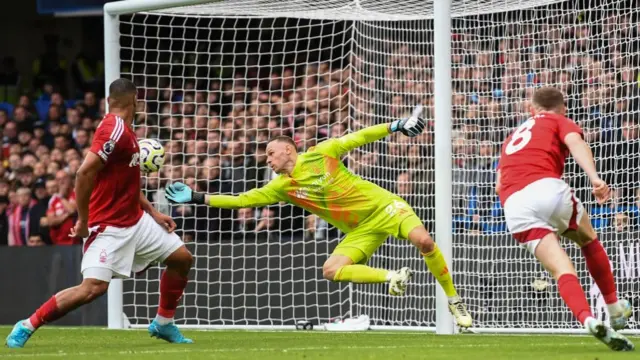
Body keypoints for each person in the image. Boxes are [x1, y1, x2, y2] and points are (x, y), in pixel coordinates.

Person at [166, 106, 473, 328]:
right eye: (266, 156)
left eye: (271, 153)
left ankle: (453, 300)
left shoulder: (321, 153)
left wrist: (395, 125)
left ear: (289, 150)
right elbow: (241, 200)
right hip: (360, 230)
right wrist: (197, 197)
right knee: (331, 270)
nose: (268, 159)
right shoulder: (281, 187)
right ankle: (391, 276)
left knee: (424, 241)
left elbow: (359, 137)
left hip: (384, 207)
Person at [5, 78, 194, 348]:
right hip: (108, 227)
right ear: (135, 101)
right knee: (92, 288)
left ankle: (163, 323)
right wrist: (82, 220)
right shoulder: (114, 128)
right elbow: (84, 172)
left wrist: (152, 211)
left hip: (137, 222)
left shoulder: (125, 131)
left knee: (182, 259)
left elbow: (125, 182)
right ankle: (28, 324)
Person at [496, 87, 633, 351]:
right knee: (588, 239)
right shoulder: (559, 120)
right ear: (563, 108)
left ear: (531, 109)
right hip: (546, 188)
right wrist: (595, 178)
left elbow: (498, 184)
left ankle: (588, 319)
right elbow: (576, 143)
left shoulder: (512, 136)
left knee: (561, 270)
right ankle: (615, 310)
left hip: (514, 205)